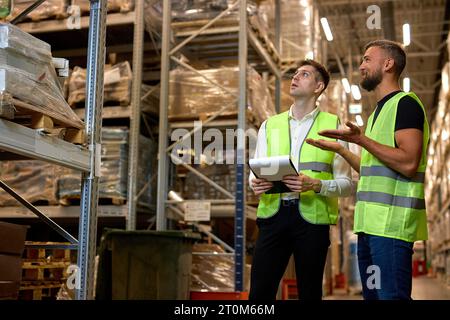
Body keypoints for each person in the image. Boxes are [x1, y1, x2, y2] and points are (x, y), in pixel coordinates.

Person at [306, 40, 429, 300]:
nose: (361, 66)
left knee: (390, 297)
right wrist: (341, 149)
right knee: (373, 297)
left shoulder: (405, 105)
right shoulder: (375, 115)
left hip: (392, 227)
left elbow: (408, 163)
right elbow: (372, 168)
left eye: (367, 59)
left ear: (388, 64)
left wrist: (362, 140)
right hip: (369, 227)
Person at [248, 59, 353, 300]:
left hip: (312, 220)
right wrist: (256, 184)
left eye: (304, 74)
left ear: (318, 87)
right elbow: (256, 174)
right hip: (273, 216)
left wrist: (315, 185)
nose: (295, 78)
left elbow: (347, 186)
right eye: (294, 74)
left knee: (310, 293)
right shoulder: (269, 125)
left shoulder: (333, 125)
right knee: (259, 294)